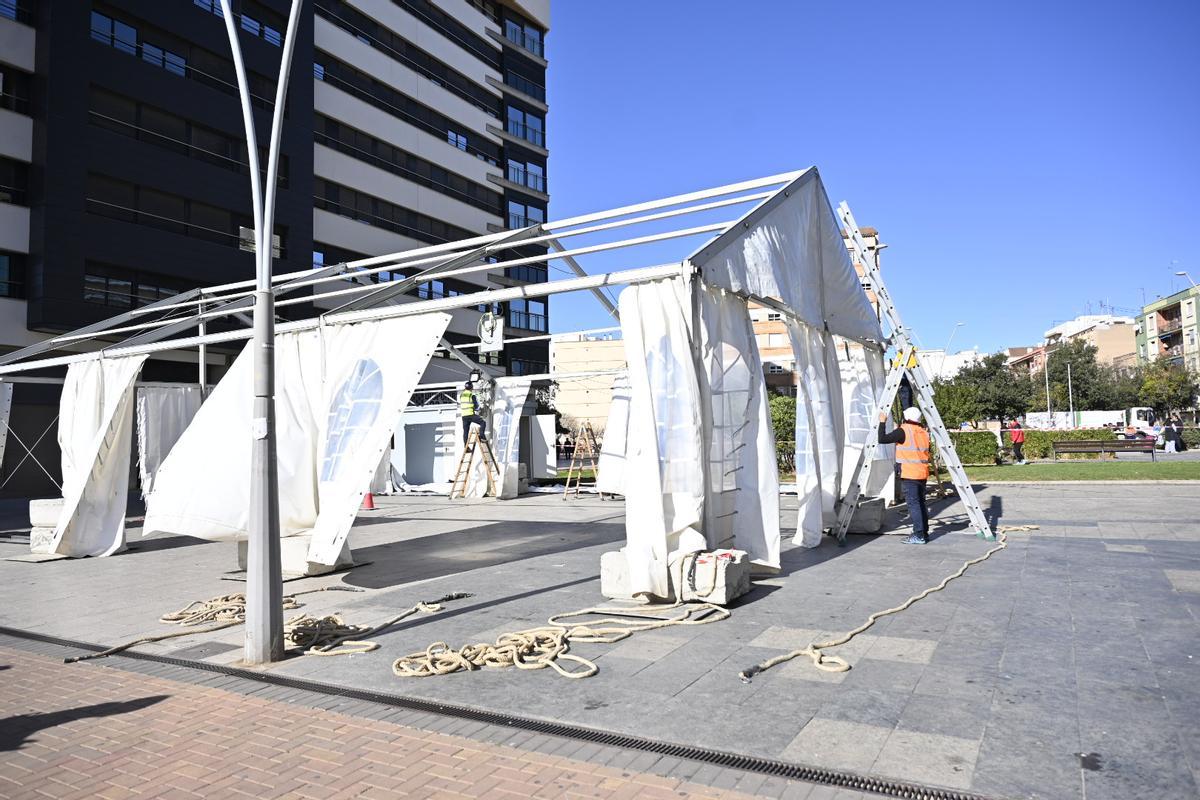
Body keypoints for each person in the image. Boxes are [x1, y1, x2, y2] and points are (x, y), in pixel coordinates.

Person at [878, 407, 931, 545]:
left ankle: (919, 535)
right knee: (921, 503)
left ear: (906, 417)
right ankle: (924, 533)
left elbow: (882, 439)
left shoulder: (903, 431)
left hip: (910, 474)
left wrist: (882, 422)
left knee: (914, 504)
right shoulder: (923, 432)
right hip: (922, 473)